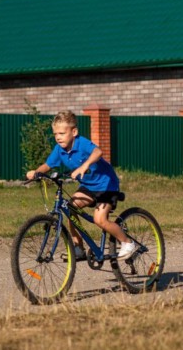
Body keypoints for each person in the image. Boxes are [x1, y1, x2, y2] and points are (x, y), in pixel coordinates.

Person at [26, 111, 137, 260]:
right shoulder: (59, 149)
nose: (58, 137)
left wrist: (85, 166)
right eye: (55, 134)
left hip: (106, 185)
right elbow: (48, 165)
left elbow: (98, 152)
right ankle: (78, 248)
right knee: (70, 208)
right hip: (89, 187)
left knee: (99, 220)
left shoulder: (81, 143)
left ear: (74, 132)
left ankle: (128, 243)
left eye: (62, 133)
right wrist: (36, 173)